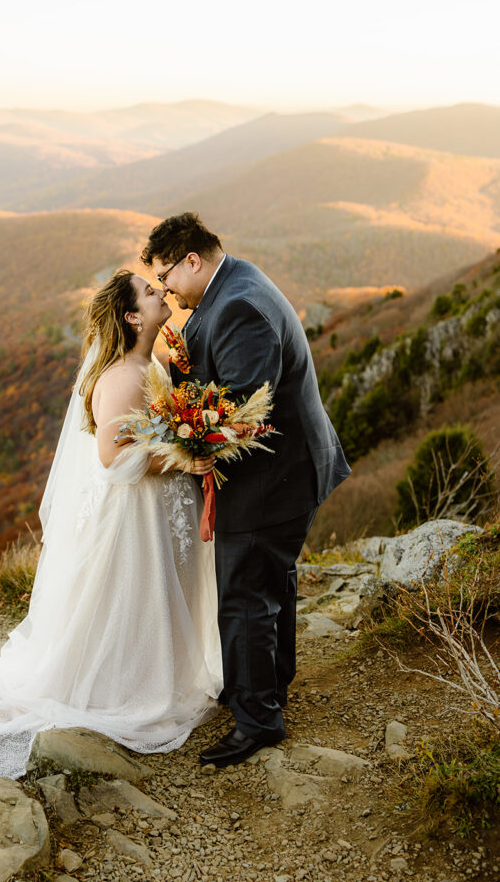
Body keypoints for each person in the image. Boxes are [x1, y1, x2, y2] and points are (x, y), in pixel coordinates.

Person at [0, 270, 222, 779]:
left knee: (156, 597)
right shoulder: (122, 376)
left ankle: (155, 676)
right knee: (135, 596)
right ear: (132, 316)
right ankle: (125, 689)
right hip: (134, 517)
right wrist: (183, 458)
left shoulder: (149, 365)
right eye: (149, 291)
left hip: (160, 511)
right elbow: (114, 459)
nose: (161, 292)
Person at [141, 212, 351, 768]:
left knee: (243, 594)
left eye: (166, 277)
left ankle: (257, 722)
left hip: (273, 479)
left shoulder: (238, 305)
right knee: (268, 583)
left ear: (192, 260)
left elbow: (236, 413)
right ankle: (270, 685)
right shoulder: (232, 284)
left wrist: (181, 446)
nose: (165, 290)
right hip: (285, 472)